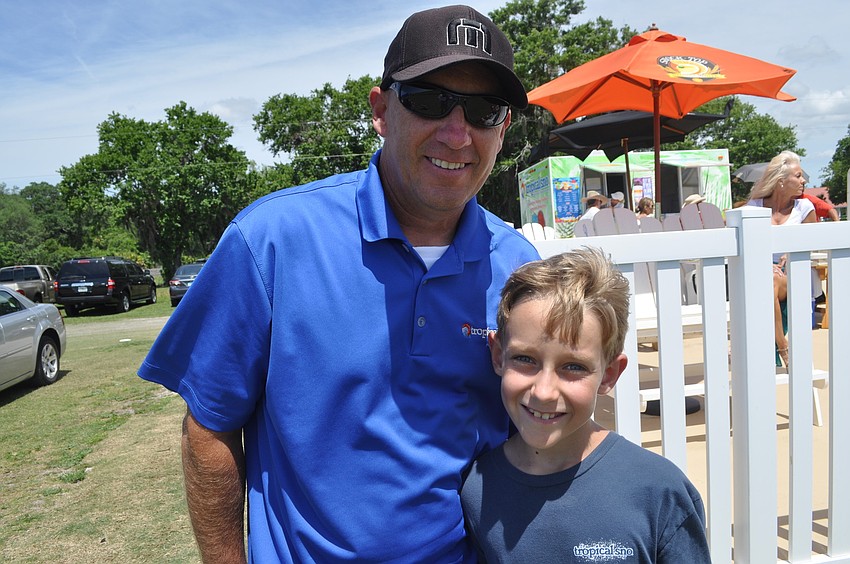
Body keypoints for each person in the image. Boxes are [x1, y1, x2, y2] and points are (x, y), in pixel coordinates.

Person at [137, 5, 540, 562]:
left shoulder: (517, 265)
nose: (456, 133)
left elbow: (538, 429)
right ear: (380, 110)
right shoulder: (273, 239)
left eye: (483, 111)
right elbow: (209, 426)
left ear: (504, 129)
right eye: (429, 100)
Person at [461, 247, 711, 562]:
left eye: (574, 367)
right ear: (498, 356)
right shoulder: (477, 489)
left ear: (609, 374)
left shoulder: (659, 492)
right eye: (525, 359)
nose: (545, 391)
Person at [746, 150, 815, 366]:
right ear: (781, 181)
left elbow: (814, 243)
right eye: (798, 176)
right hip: (761, 274)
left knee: (772, 278)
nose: (803, 180)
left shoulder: (804, 208)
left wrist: (790, 253)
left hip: (794, 275)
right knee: (769, 277)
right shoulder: (754, 208)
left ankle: (780, 347)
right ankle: (782, 344)